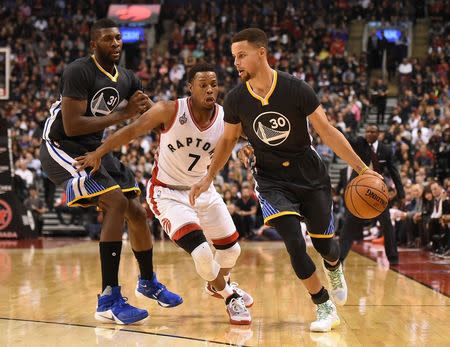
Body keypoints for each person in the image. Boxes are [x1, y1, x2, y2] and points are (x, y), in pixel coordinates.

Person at [189, 28, 381, 332]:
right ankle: (323, 306)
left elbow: (328, 132)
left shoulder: (296, 89)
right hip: (270, 178)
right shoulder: (237, 99)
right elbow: (227, 141)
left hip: (309, 173)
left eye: (241, 55)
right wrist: (207, 177)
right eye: (233, 57)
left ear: (261, 52)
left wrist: (362, 169)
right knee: (293, 241)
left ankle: (333, 265)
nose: (236, 62)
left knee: (325, 246)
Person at [74, 63, 253, 325]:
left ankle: (217, 284)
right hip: (168, 193)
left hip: (203, 190)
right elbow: (130, 131)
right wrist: (98, 153)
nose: (210, 90)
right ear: (190, 87)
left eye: (214, 84)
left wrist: (247, 151)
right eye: (203, 85)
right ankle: (229, 295)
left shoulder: (226, 118)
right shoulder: (169, 110)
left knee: (231, 252)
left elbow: (241, 142)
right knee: (202, 253)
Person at [39, 18, 182, 325]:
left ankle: (147, 281)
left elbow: (148, 113)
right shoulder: (79, 71)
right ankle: (108, 298)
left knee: (137, 210)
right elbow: (73, 124)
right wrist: (123, 114)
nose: (115, 43)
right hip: (61, 146)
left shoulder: (128, 78)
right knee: (115, 202)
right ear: (94, 45)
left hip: (96, 149)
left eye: (118, 38)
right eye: (108, 39)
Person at [339, 124, 405, 265]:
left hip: (377, 193)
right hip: (359, 192)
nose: (369, 133)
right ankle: (339, 258)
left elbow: (394, 172)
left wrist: (401, 194)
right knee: (348, 225)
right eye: (367, 131)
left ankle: (393, 258)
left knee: (387, 224)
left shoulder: (385, 150)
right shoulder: (359, 144)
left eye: (372, 131)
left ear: (378, 133)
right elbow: (347, 140)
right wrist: (339, 129)